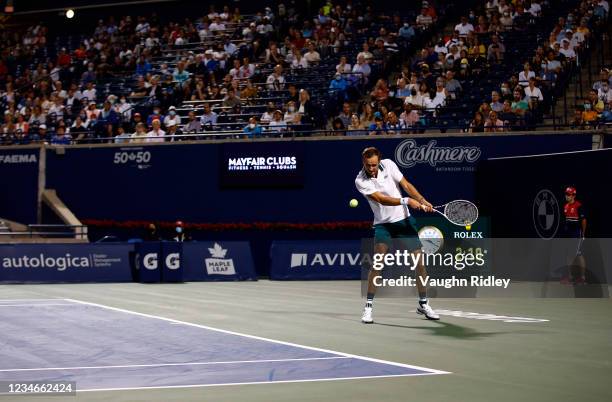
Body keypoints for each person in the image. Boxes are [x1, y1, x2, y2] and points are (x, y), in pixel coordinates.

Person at [355, 147, 439, 323]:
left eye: (374, 165)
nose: (372, 168)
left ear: (379, 160)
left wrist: (422, 200)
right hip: (383, 225)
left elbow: (406, 185)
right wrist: (406, 200)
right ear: (364, 162)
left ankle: (423, 303)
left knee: (420, 264)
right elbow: (380, 199)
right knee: (377, 264)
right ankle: (368, 307)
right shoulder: (360, 180)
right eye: (368, 165)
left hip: (404, 222)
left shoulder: (389, 165)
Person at [560, 187, 587, 284]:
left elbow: (584, 220)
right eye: (566, 194)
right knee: (574, 255)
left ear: (574, 195)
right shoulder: (566, 206)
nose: (566, 196)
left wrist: (583, 234)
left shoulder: (578, 206)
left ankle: (578, 278)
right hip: (569, 235)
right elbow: (567, 221)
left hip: (576, 235)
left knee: (574, 256)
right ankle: (574, 277)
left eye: (569, 194)